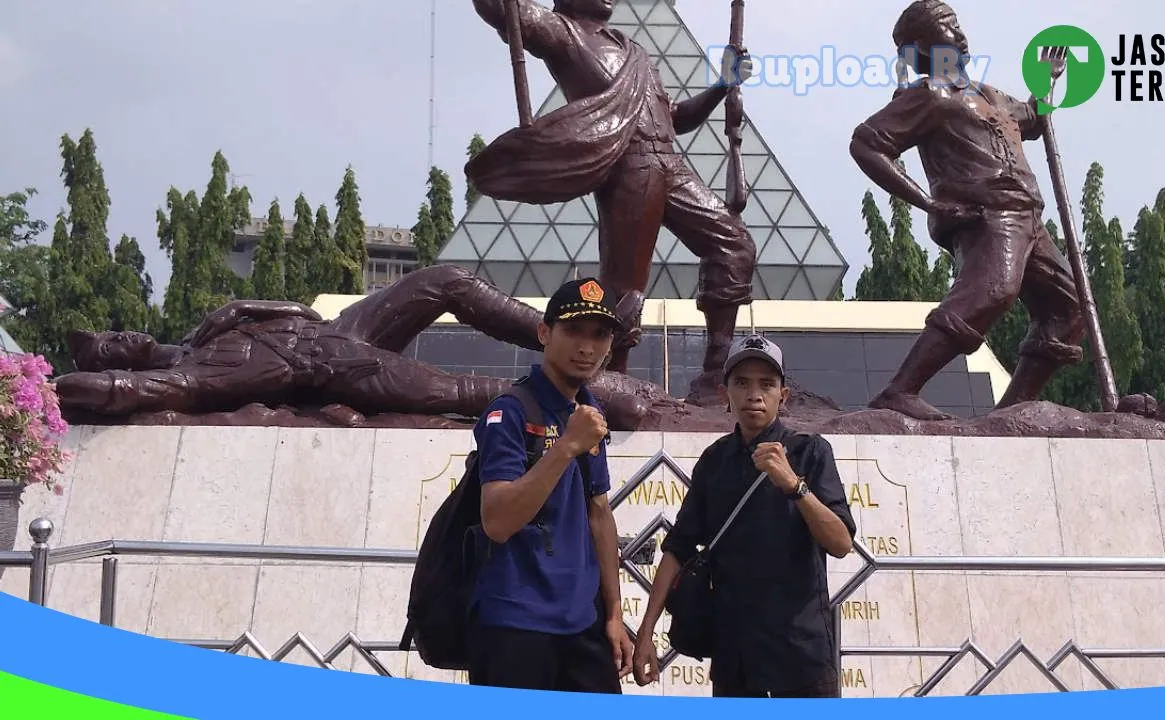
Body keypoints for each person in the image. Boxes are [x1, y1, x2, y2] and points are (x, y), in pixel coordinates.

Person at [467, 0, 758, 406]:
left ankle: (714, 376)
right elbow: (502, 8)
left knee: (734, 244)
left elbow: (674, 117)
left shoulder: (631, 49)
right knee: (625, 288)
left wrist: (722, 86)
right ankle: (611, 382)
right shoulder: (563, 32)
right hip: (630, 167)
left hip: (670, 163)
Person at [848, 0, 1085, 421]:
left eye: (958, 25)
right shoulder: (930, 96)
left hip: (1031, 218)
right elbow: (867, 142)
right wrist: (928, 200)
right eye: (947, 27)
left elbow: (1033, 121)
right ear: (922, 46)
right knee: (989, 293)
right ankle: (901, 390)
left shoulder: (990, 94)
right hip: (987, 216)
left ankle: (1010, 412)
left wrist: (1046, 83)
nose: (959, 34)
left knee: (1067, 310)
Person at [52, 264, 657, 428]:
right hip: (322, 364)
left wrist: (242, 307)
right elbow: (124, 392)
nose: (122, 336)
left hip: (338, 327)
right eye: (110, 344)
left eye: (113, 333)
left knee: (443, 280)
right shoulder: (193, 369)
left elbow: (299, 310)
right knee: (445, 391)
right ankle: (598, 390)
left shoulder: (204, 331)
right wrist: (58, 393)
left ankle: (567, 330)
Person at [631, 334, 857, 697]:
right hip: (735, 659)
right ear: (725, 395)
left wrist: (793, 485)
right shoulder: (714, 460)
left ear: (783, 396)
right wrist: (645, 634)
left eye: (767, 384)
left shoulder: (810, 452)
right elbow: (677, 549)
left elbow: (841, 542)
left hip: (801, 656)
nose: (755, 394)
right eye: (742, 383)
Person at [466, 276, 633, 692]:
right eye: (573, 330)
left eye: (599, 335)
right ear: (544, 333)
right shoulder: (509, 413)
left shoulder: (588, 409)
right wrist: (565, 447)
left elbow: (600, 513)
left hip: (583, 623)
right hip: (516, 624)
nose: (587, 347)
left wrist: (614, 613)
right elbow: (498, 521)